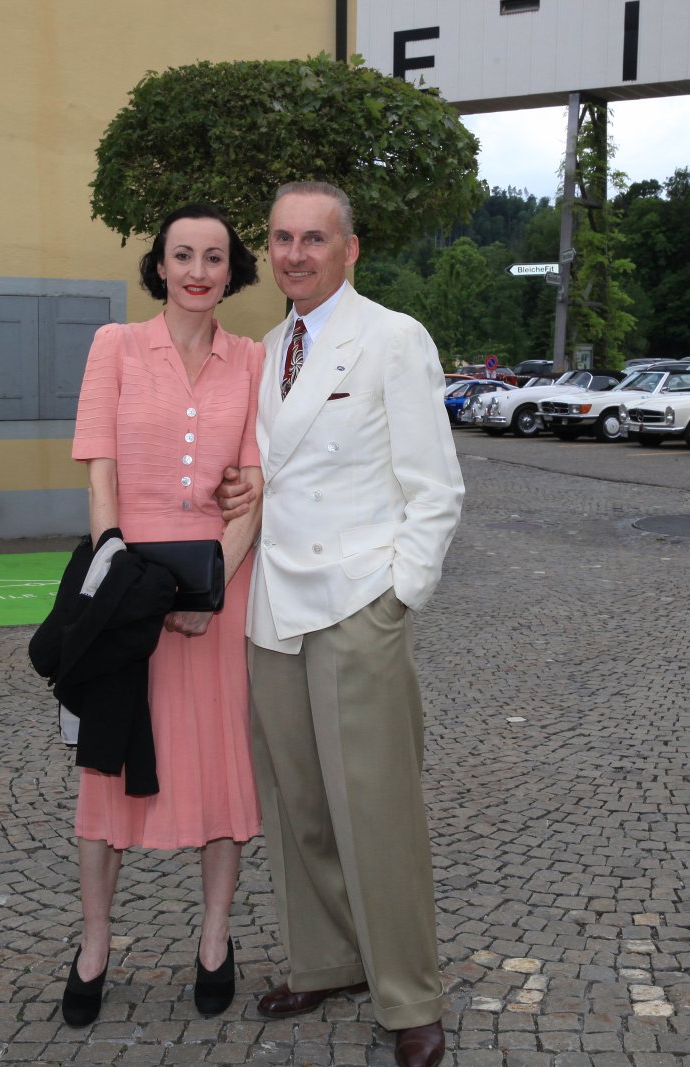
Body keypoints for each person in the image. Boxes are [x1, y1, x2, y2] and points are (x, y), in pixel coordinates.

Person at [220, 181, 465, 1067]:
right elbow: (267, 471)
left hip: (357, 600)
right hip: (275, 606)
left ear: (349, 249)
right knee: (299, 806)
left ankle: (411, 995)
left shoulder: (392, 338)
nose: (295, 254)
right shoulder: (268, 350)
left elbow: (435, 487)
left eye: (314, 238)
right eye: (282, 238)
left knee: (377, 810)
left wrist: (396, 596)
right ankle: (329, 960)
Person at [63, 203, 266, 1025]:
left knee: (220, 768)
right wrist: (119, 576)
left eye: (214, 256)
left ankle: (215, 938)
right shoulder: (114, 345)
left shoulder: (250, 359)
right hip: (126, 580)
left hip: (217, 581)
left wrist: (210, 591)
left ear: (231, 270)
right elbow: (100, 471)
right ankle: (94, 944)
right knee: (106, 769)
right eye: (183, 254)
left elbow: (254, 486)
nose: (197, 270)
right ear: (158, 265)